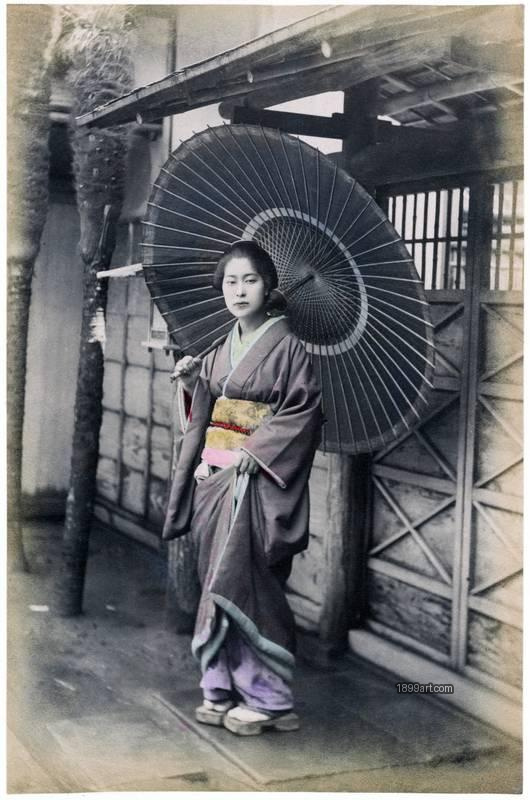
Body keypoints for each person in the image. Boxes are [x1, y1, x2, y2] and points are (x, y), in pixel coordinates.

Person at [163, 240, 323, 736]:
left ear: (269, 286)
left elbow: (304, 412)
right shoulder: (219, 346)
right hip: (214, 478)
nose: (238, 290)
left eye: (249, 280)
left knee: (249, 579)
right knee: (216, 577)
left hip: (256, 481)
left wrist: (255, 453)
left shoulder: (291, 347)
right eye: (230, 281)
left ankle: (271, 699)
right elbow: (209, 409)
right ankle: (223, 684)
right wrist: (193, 382)